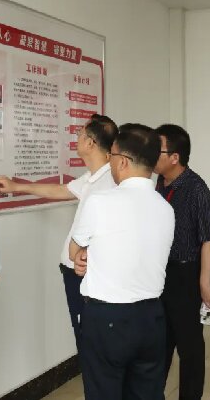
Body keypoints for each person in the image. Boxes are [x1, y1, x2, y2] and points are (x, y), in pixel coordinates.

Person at [0, 114, 118, 357]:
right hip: (75, 273)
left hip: (87, 275)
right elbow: (61, 190)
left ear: (90, 143)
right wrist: (16, 187)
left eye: (80, 133)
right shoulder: (94, 177)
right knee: (85, 337)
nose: (76, 137)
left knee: (92, 342)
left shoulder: (109, 182)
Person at [69, 123, 175, 400]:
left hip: (108, 319)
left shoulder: (100, 202)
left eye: (112, 157)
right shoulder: (165, 208)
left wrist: (82, 256)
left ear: (123, 162)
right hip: (152, 319)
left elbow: (74, 249)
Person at [153, 124, 210, 400]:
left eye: (157, 150)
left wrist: (205, 282)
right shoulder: (159, 183)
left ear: (174, 157)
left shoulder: (196, 188)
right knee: (160, 341)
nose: (151, 154)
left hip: (185, 273)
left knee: (189, 345)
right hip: (159, 273)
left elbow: (208, 239)